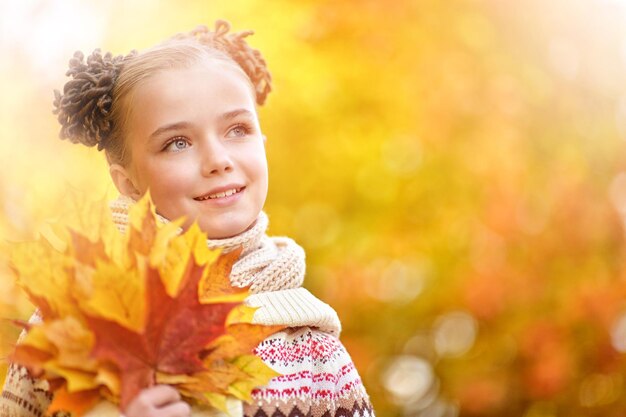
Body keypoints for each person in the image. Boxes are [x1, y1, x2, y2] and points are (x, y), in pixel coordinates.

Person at [0, 21, 375, 417]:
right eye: (177, 143)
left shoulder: (317, 352)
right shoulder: (76, 321)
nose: (218, 161)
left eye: (237, 129)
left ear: (263, 143)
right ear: (127, 182)